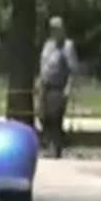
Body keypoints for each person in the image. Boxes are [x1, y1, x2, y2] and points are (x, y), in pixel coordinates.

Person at [38, 16, 79, 158]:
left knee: (54, 117)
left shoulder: (67, 46)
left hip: (58, 87)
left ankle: (55, 148)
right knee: (43, 117)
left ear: (62, 29)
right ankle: (49, 144)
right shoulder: (48, 45)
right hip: (45, 86)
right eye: (52, 29)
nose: (55, 32)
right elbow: (43, 65)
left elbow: (73, 70)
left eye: (57, 29)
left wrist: (68, 88)